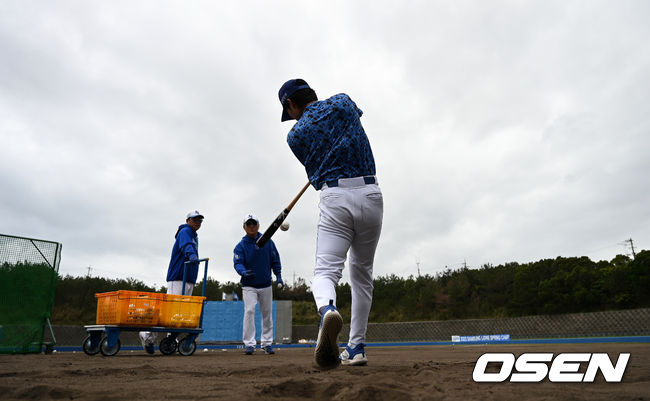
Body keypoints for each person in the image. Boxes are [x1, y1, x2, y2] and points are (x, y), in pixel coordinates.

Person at [278, 79, 383, 369]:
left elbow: (314, 175)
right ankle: (356, 346)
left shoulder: (295, 136)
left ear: (291, 104)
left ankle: (327, 310)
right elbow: (350, 124)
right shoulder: (343, 101)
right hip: (371, 193)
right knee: (362, 276)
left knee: (325, 272)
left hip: (334, 194)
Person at [139, 210, 204, 354]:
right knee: (170, 310)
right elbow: (186, 246)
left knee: (178, 314)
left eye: (200, 220)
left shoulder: (194, 235)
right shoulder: (185, 231)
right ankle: (147, 335)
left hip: (189, 277)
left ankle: (170, 340)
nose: (197, 223)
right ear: (188, 221)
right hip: (179, 276)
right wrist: (192, 255)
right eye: (195, 220)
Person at [233, 213, 283, 355]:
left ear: (258, 225)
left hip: (266, 284)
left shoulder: (268, 241)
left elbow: (275, 260)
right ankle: (249, 344)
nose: (252, 226)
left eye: (254, 223)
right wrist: (243, 272)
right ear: (244, 227)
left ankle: (267, 344)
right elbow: (238, 263)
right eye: (248, 224)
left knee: (267, 314)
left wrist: (278, 276)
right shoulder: (240, 246)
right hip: (249, 285)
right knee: (249, 311)